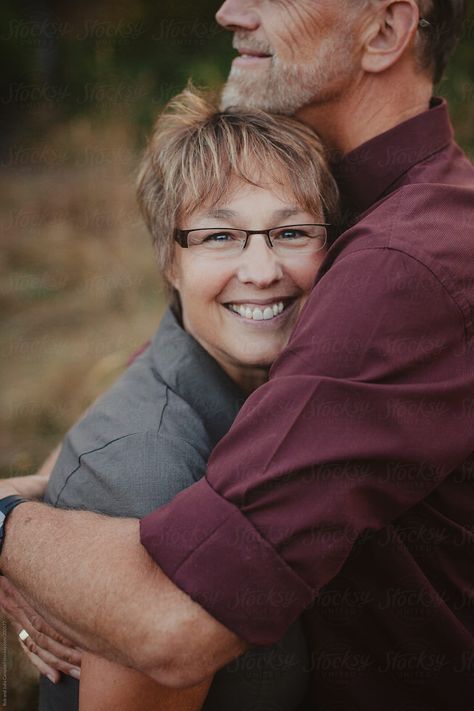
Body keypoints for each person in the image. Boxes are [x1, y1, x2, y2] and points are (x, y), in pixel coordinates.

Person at [0, 1, 473, 709]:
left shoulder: (401, 263)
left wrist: (8, 526)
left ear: (384, 30)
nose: (230, 10)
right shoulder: (367, 205)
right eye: (222, 238)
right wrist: (63, 478)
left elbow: (174, 621)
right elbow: (183, 354)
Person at [19, 87, 339, 711]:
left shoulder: (275, 399)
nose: (262, 269)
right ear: (170, 259)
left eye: (291, 232)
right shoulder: (149, 476)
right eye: (221, 238)